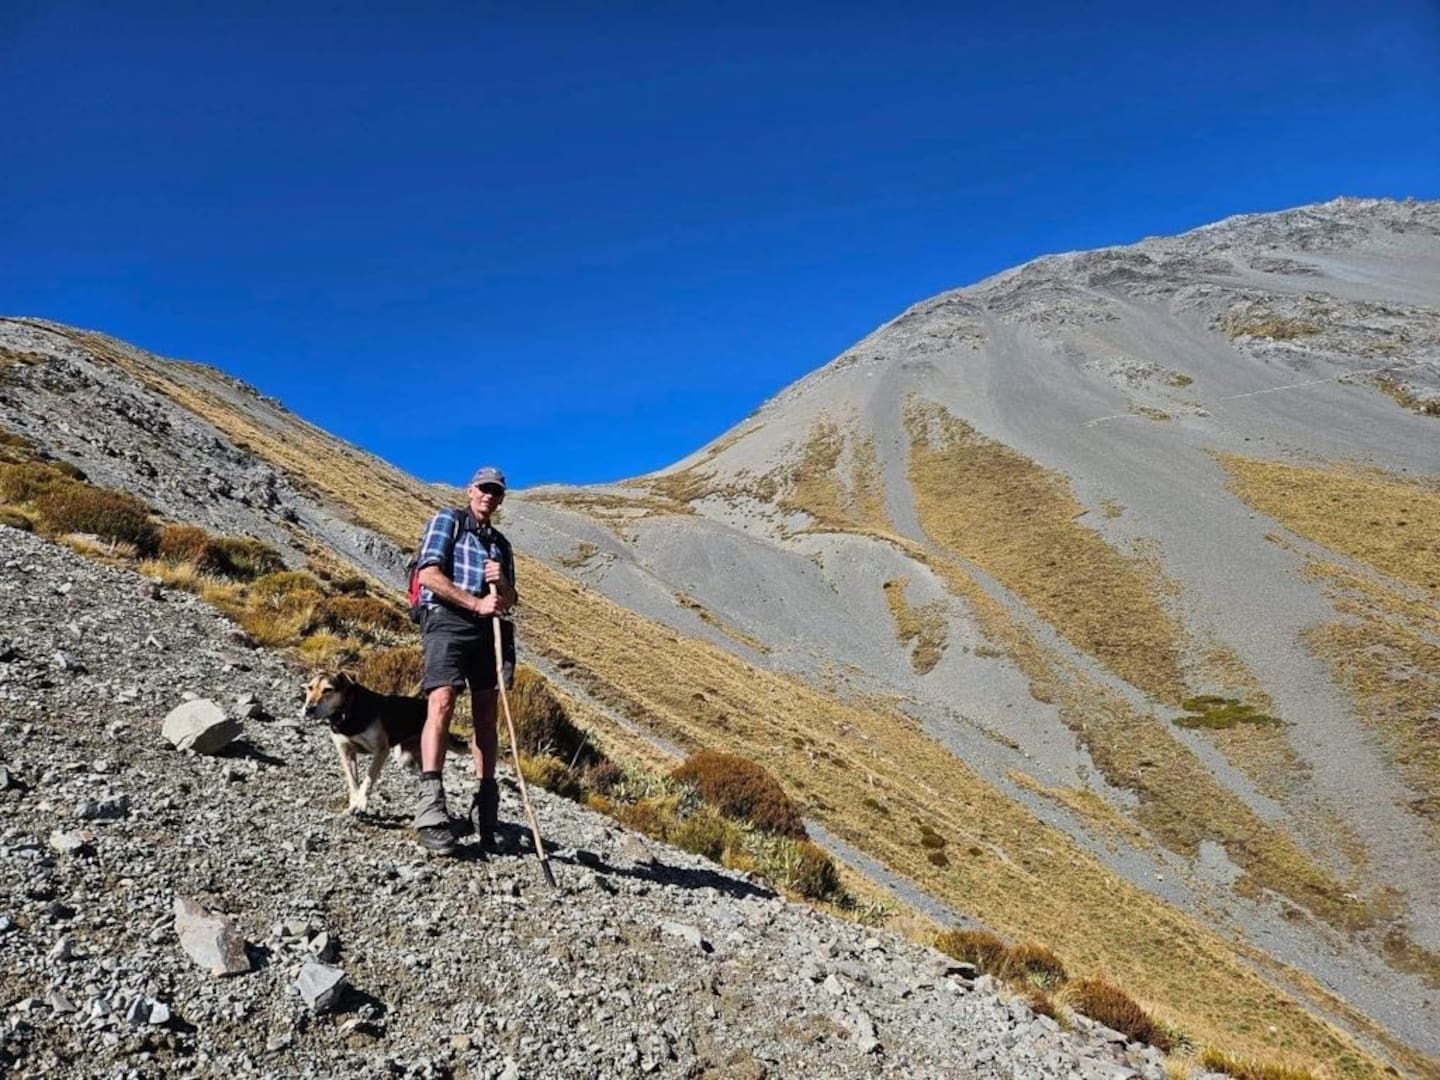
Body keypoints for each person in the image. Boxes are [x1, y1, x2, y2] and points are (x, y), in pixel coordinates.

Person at [411, 466, 518, 855]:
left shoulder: (500, 545)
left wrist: (500, 582)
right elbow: (428, 575)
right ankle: (430, 807)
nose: (489, 495)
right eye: (484, 489)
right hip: (448, 619)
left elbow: (511, 600)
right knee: (441, 701)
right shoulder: (448, 521)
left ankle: (486, 803)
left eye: (496, 491)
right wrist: (475, 602)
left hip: (488, 628)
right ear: (470, 490)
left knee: (486, 715)